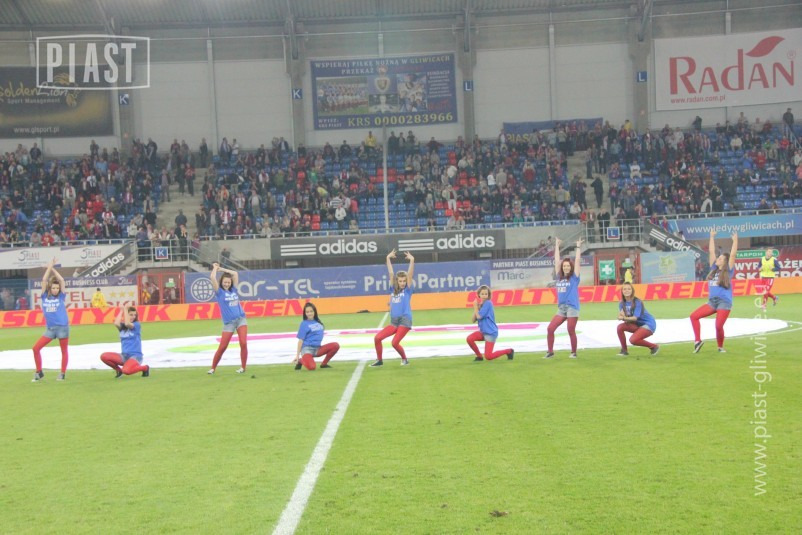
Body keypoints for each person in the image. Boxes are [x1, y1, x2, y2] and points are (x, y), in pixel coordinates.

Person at [690, 231, 738, 353]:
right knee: (693, 316)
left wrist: (735, 241)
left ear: (725, 262)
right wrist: (711, 237)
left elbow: (732, 255)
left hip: (724, 302)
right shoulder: (713, 269)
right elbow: (711, 252)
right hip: (712, 302)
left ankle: (720, 347)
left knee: (718, 326)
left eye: (720, 258)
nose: (717, 259)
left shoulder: (728, 270)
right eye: (718, 257)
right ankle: (697, 341)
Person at [371, 249, 415, 367]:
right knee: (377, 338)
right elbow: (391, 273)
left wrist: (412, 260)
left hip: (405, 320)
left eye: (404, 281)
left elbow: (410, 274)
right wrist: (388, 258)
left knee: (394, 343)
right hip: (394, 322)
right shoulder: (392, 289)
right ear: (397, 281)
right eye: (400, 281)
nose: (402, 283)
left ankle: (405, 359)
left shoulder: (407, 290)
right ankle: (379, 361)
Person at [32, 258, 70, 381]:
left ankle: (62, 373)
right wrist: (49, 267)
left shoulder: (61, 296)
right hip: (50, 329)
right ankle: (39, 372)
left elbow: (62, 280)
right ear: (50, 288)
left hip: (62, 328)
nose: (55, 290)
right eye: (53, 288)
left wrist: (52, 268)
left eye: (57, 288)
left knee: (63, 351)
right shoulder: (44, 296)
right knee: (36, 348)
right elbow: (44, 280)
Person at [544, 238, 583, 359]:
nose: (566, 267)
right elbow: (556, 261)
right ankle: (550, 352)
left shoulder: (574, 277)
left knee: (570, 329)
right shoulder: (559, 277)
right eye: (564, 266)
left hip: (572, 307)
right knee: (550, 329)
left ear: (571, 267)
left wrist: (578, 247)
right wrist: (556, 245)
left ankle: (573, 352)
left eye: (568, 266)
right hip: (561, 308)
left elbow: (577, 261)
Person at [207, 262, 248, 374]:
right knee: (223, 347)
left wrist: (222, 269)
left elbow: (235, 273)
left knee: (243, 343)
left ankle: (243, 368)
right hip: (229, 323)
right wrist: (215, 268)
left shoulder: (234, 289)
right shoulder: (219, 292)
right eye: (225, 282)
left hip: (241, 319)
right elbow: (212, 277)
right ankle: (213, 368)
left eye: (228, 282)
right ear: (221, 282)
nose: (227, 284)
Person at [466, 285, 514, 362]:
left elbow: (479, 317)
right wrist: (477, 308)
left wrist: (475, 307)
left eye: (486, 294)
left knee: (488, 356)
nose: (484, 296)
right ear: (479, 295)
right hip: (483, 332)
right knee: (469, 339)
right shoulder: (481, 305)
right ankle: (479, 356)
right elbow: (473, 320)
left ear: (488, 295)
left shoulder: (488, 303)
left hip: (490, 333)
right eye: (482, 294)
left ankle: (509, 351)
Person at [100, 307, 150, 378]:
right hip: (124, 356)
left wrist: (125, 310)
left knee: (126, 371)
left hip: (135, 356)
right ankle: (119, 370)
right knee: (104, 356)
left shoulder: (136, 325)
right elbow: (116, 323)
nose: (133, 317)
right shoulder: (122, 328)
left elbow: (127, 323)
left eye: (134, 315)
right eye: (131, 315)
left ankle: (145, 368)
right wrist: (121, 310)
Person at [293, 303, 340, 371]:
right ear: (305, 313)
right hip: (307, 350)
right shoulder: (304, 324)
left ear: (314, 311)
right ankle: (300, 361)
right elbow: (300, 340)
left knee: (335, 345)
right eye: (307, 312)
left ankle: (324, 364)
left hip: (318, 349)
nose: (309, 313)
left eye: (311, 311)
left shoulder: (318, 322)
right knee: (312, 367)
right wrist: (297, 355)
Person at [616, 282, 659, 356]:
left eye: (629, 289)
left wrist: (622, 318)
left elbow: (635, 318)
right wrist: (622, 317)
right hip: (638, 325)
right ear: (622, 291)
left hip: (648, 324)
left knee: (633, 340)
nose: (626, 291)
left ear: (632, 291)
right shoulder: (621, 304)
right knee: (620, 327)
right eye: (624, 289)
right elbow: (626, 318)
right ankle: (624, 351)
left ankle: (654, 347)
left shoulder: (637, 302)